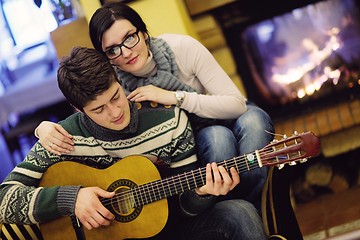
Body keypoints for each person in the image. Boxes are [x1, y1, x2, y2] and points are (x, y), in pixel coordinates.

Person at [0, 47, 267, 239]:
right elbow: (3, 200)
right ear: (77, 109)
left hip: (173, 229)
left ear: (118, 79)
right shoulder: (61, 139)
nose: (115, 113)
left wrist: (202, 194)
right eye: (98, 109)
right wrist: (72, 199)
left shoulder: (170, 121)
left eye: (115, 97)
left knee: (239, 212)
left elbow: (183, 209)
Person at [34, 2, 274, 211]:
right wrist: (42, 128)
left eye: (130, 37)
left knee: (255, 121)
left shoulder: (182, 49)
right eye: (112, 49)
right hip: (195, 135)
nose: (126, 52)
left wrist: (175, 97)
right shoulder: (113, 86)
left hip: (224, 111)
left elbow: (236, 105)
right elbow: (85, 112)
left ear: (144, 32)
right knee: (219, 138)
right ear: (104, 56)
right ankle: (234, 211)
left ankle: (258, 206)